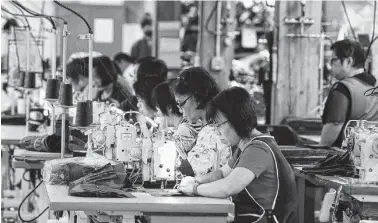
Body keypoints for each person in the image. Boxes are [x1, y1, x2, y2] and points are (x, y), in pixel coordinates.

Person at [178, 87, 298, 223]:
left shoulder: (258, 149)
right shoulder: (244, 146)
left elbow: (229, 186)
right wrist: (197, 180)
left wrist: (194, 189)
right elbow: (222, 174)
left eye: (220, 125)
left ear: (237, 120)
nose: (217, 131)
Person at [171, 67, 231, 177]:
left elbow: (191, 171)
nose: (180, 109)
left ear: (196, 97)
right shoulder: (214, 125)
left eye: (181, 103)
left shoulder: (212, 131)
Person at [320, 39, 378, 147]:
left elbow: (334, 125)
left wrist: (319, 149)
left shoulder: (343, 88)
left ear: (348, 62)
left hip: (345, 157)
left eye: (333, 60)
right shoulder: (374, 86)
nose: (330, 66)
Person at [151, 82, 202, 161]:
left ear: (169, 108)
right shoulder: (187, 125)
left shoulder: (184, 131)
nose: (156, 113)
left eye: (158, 109)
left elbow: (161, 157)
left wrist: (162, 127)